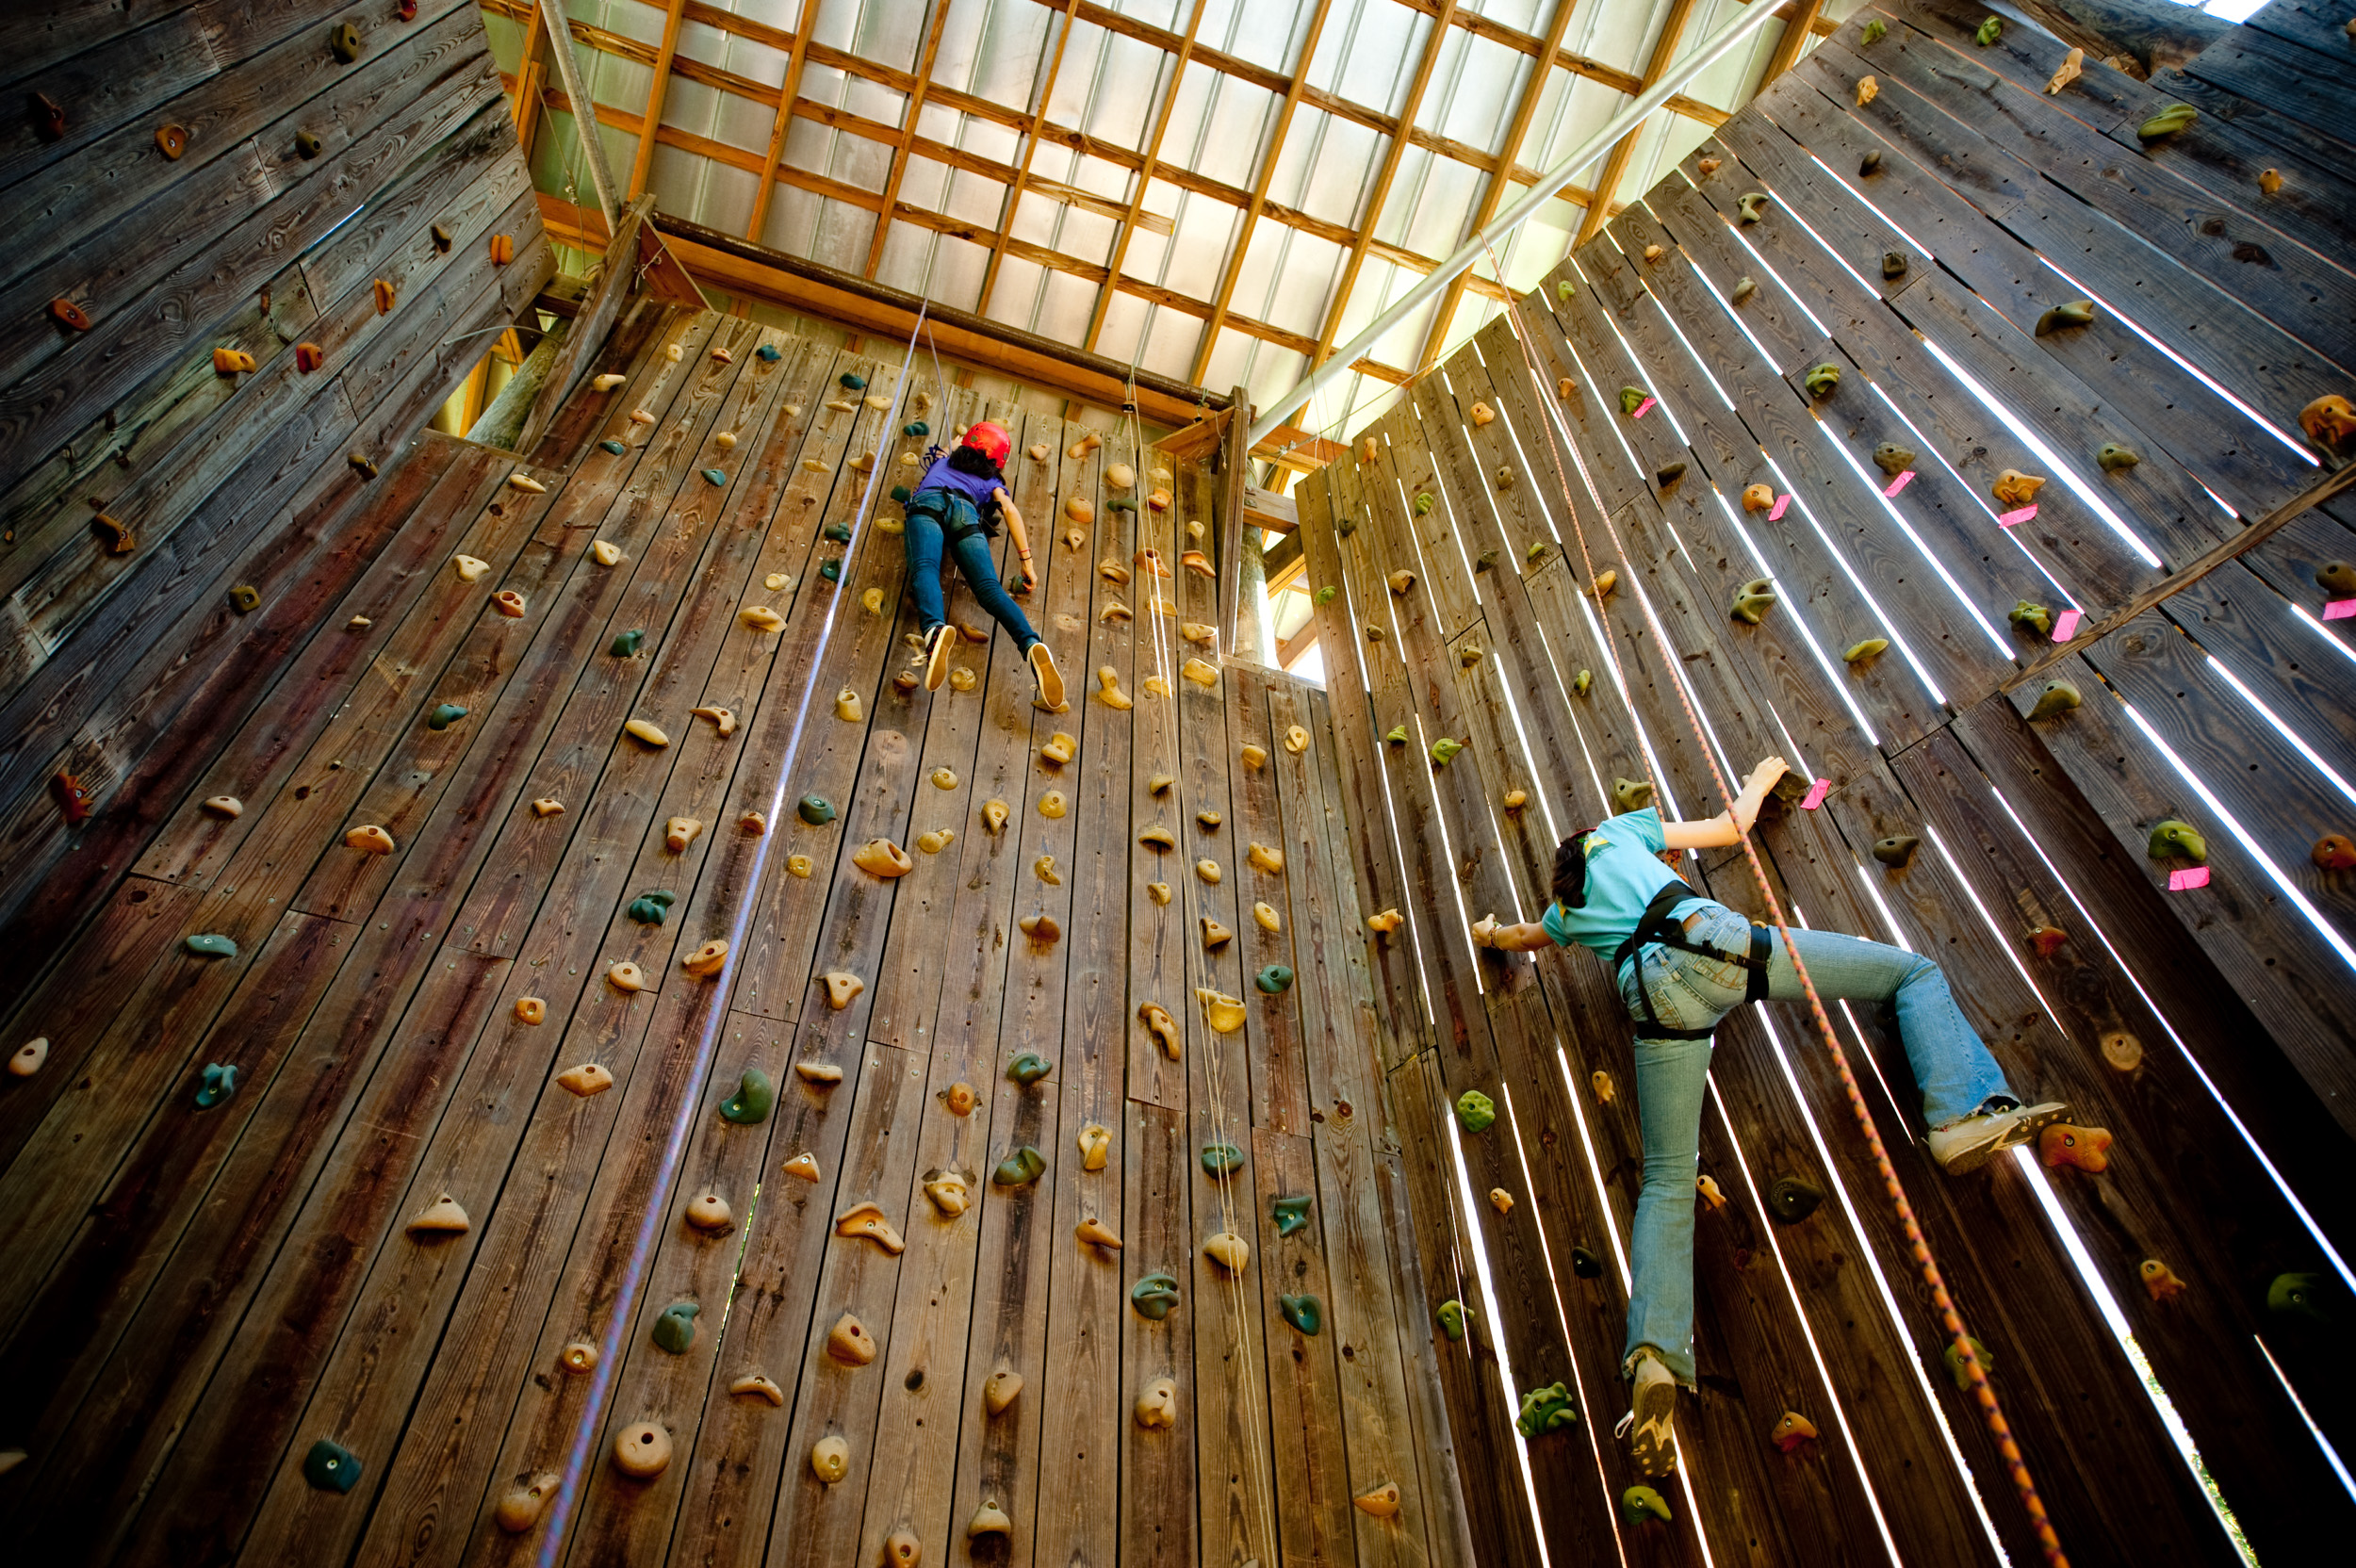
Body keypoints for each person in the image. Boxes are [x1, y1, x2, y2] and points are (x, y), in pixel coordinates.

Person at [1470, 755, 2063, 1480]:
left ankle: (1654, 1355)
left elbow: (1530, 938)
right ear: (1595, 833)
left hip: (1654, 1002)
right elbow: (1730, 826)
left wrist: (1492, 934)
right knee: (1910, 972)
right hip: (1714, 945)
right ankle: (1960, 1110)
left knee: (1665, 1179)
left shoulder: (1566, 911)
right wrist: (1760, 776)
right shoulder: (1622, 828)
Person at [903, 420, 1063, 709]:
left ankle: (935, 630)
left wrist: (960, 434)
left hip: (928, 503)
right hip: (965, 512)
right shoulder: (993, 483)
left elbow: (953, 444)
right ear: (999, 459)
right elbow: (1010, 511)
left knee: (926, 568)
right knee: (990, 589)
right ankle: (1031, 644)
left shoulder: (944, 460)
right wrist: (1027, 562)